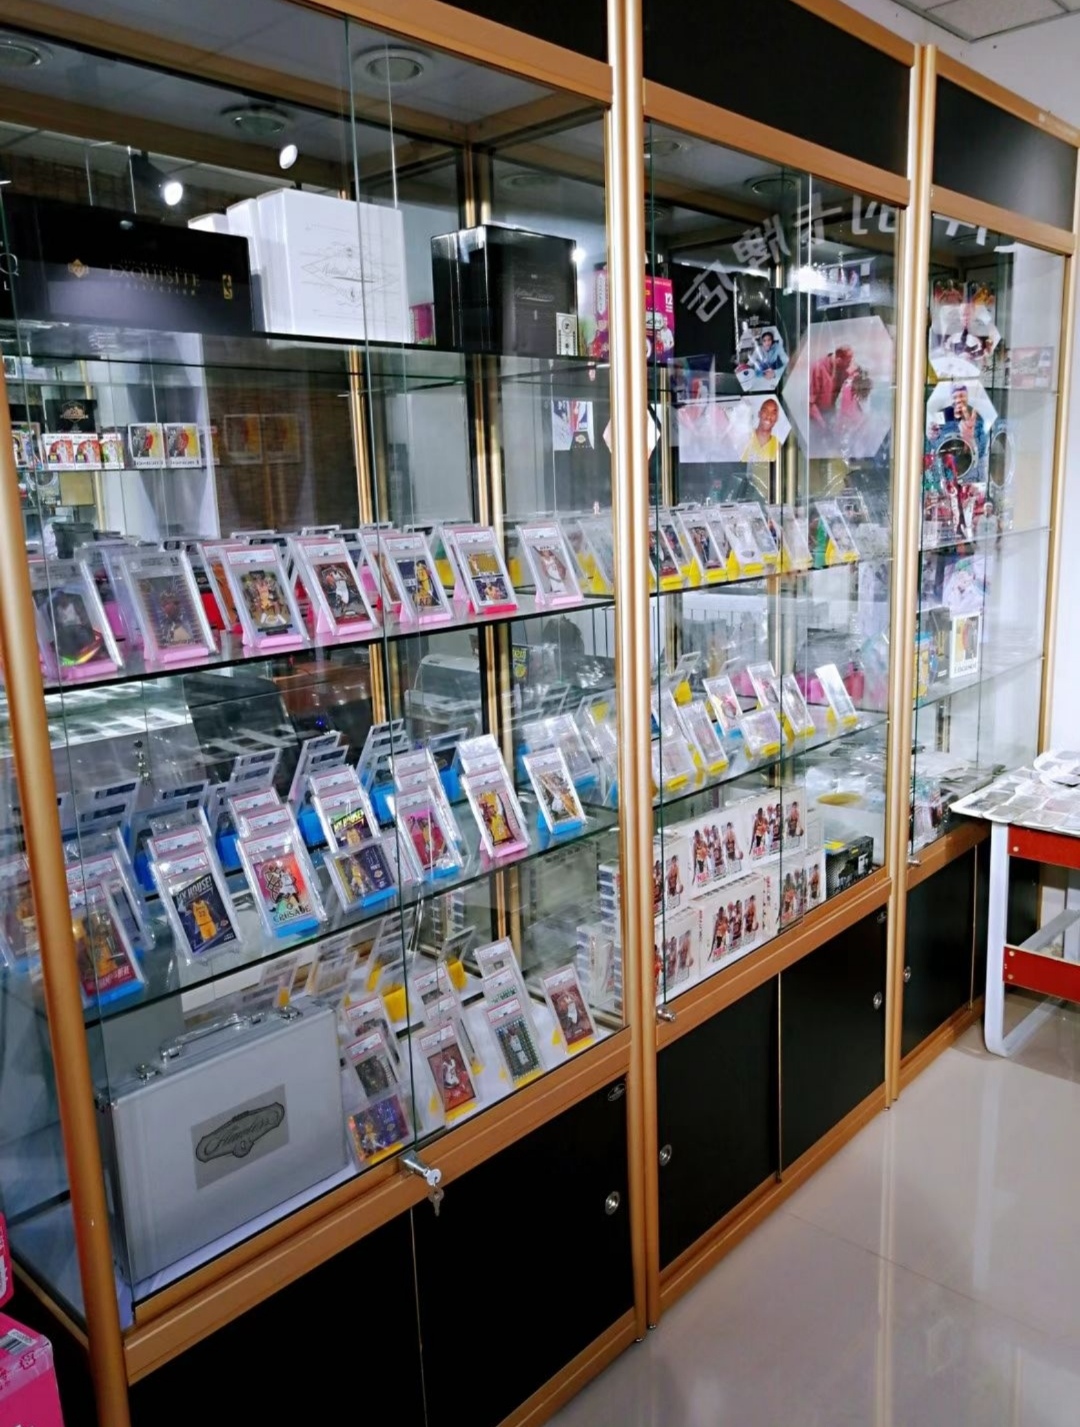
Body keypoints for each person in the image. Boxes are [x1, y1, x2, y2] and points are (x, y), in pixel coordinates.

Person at [808, 345, 855, 427]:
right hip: (817, 418)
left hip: (831, 415)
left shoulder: (842, 371)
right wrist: (822, 424)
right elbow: (810, 403)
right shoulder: (818, 369)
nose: (849, 365)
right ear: (839, 360)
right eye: (848, 362)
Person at [742, 397, 782, 461]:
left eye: (773, 413)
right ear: (759, 414)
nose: (769, 416)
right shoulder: (745, 438)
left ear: (776, 418)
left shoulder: (778, 447)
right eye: (765, 411)